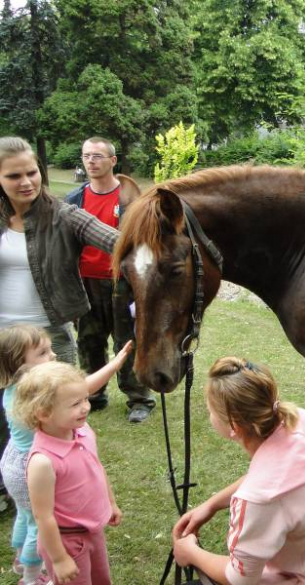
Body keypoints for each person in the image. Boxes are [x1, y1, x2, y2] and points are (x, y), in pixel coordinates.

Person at [171, 357, 305, 585]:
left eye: (210, 410)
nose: (209, 415)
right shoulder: (300, 420)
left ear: (233, 425)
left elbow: (239, 580)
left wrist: (190, 553)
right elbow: (276, 480)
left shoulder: (259, 496)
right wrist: (211, 505)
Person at [0, 135, 119, 524]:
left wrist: (157, 243)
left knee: (58, 421)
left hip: (50, 338)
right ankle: (10, 488)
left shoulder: (64, 215)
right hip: (4, 342)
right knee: (7, 420)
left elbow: (117, 240)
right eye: (13, 176)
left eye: (32, 172)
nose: (26, 182)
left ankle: (63, 496)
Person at [0, 325, 131, 585]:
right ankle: (30, 576)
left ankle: (23, 561)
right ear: (43, 412)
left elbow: (96, 469)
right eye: (75, 404)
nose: (86, 407)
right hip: (66, 538)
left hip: (92, 529)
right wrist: (59, 558)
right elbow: (44, 517)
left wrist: (110, 503)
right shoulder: (42, 462)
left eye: (85, 400)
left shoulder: (82, 432)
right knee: (34, 519)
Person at [65, 137, 154, 423]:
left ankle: (139, 398)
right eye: (86, 156)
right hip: (85, 282)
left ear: (113, 161)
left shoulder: (131, 200)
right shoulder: (74, 200)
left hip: (122, 283)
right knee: (89, 341)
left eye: (98, 156)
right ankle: (93, 394)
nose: (91, 161)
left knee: (128, 342)